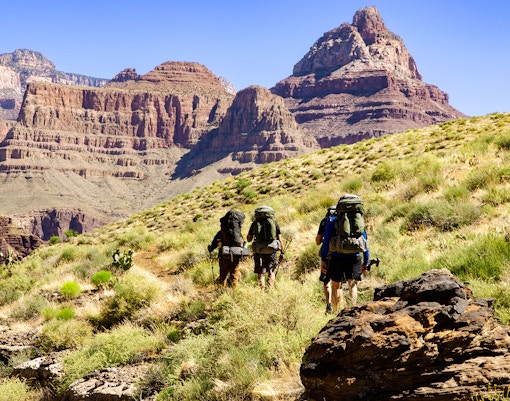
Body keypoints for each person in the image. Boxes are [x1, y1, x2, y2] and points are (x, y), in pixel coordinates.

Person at [320, 204, 369, 312]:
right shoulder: (358, 220)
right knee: (352, 284)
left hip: (337, 257)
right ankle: (354, 309)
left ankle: (337, 312)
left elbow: (326, 241)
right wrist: (365, 261)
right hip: (354, 257)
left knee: (336, 285)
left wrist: (323, 259)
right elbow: (365, 242)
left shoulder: (332, 220)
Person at [246, 206, 284, 290]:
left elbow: (249, 239)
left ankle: (261, 292)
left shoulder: (254, 223)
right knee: (271, 272)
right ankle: (270, 290)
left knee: (261, 274)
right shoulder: (274, 223)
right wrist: (282, 252)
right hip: (271, 250)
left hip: (259, 251)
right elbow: (280, 239)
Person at [207, 210, 247, 288]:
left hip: (224, 256)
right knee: (234, 276)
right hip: (236, 255)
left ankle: (221, 292)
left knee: (223, 275)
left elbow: (213, 245)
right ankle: (234, 294)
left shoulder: (221, 233)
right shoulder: (238, 233)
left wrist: (210, 248)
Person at [316, 206, 335, 314]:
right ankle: (338, 307)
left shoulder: (324, 222)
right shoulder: (341, 220)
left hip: (326, 255)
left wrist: (325, 239)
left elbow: (318, 241)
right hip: (339, 255)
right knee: (338, 283)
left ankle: (328, 305)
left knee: (326, 281)